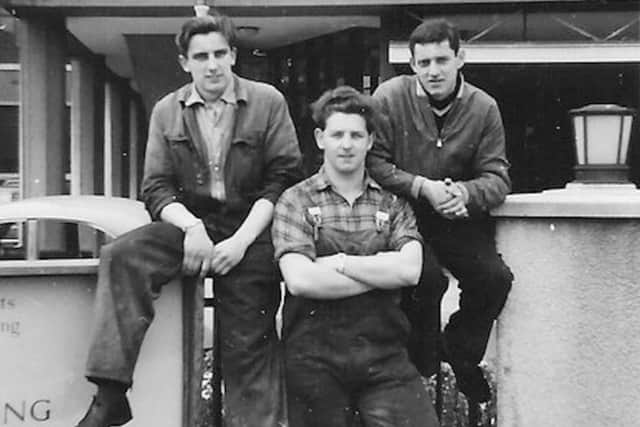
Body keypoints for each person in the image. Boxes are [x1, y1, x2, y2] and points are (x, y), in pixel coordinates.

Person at [76, 13, 302, 427]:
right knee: (124, 254)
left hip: (251, 229)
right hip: (190, 226)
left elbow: (283, 180)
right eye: (201, 56)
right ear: (185, 62)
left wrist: (241, 241)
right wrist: (192, 228)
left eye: (220, 53)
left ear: (233, 55)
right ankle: (110, 394)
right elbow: (156, 188)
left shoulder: (268, 101)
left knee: (248, 343)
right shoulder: (167, 110)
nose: (212, 64)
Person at [272, 86, 440, 427]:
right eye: (337, 134)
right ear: (321, 138)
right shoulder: (295, 201)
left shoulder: (392, 203)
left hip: (384, 358)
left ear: (370, 140)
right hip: (313, 360)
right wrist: (380, 273)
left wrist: (340, 264)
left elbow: (410, 270)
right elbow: (301, 280)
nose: (346, 144)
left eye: (355, 135)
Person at [367, 18, 514, 403]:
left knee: (493, 278)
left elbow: (498, 177)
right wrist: (421, 187)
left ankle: (460, 353)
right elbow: (375, 163)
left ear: (460, 58)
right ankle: (424, 367)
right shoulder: (388, 97)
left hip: (454, 216)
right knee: (426, 279)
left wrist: (464, 193)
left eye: (442, 60)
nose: (433, 71)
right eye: (424, 62)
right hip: (403, 214)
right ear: (412, 63)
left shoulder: (484, 108)